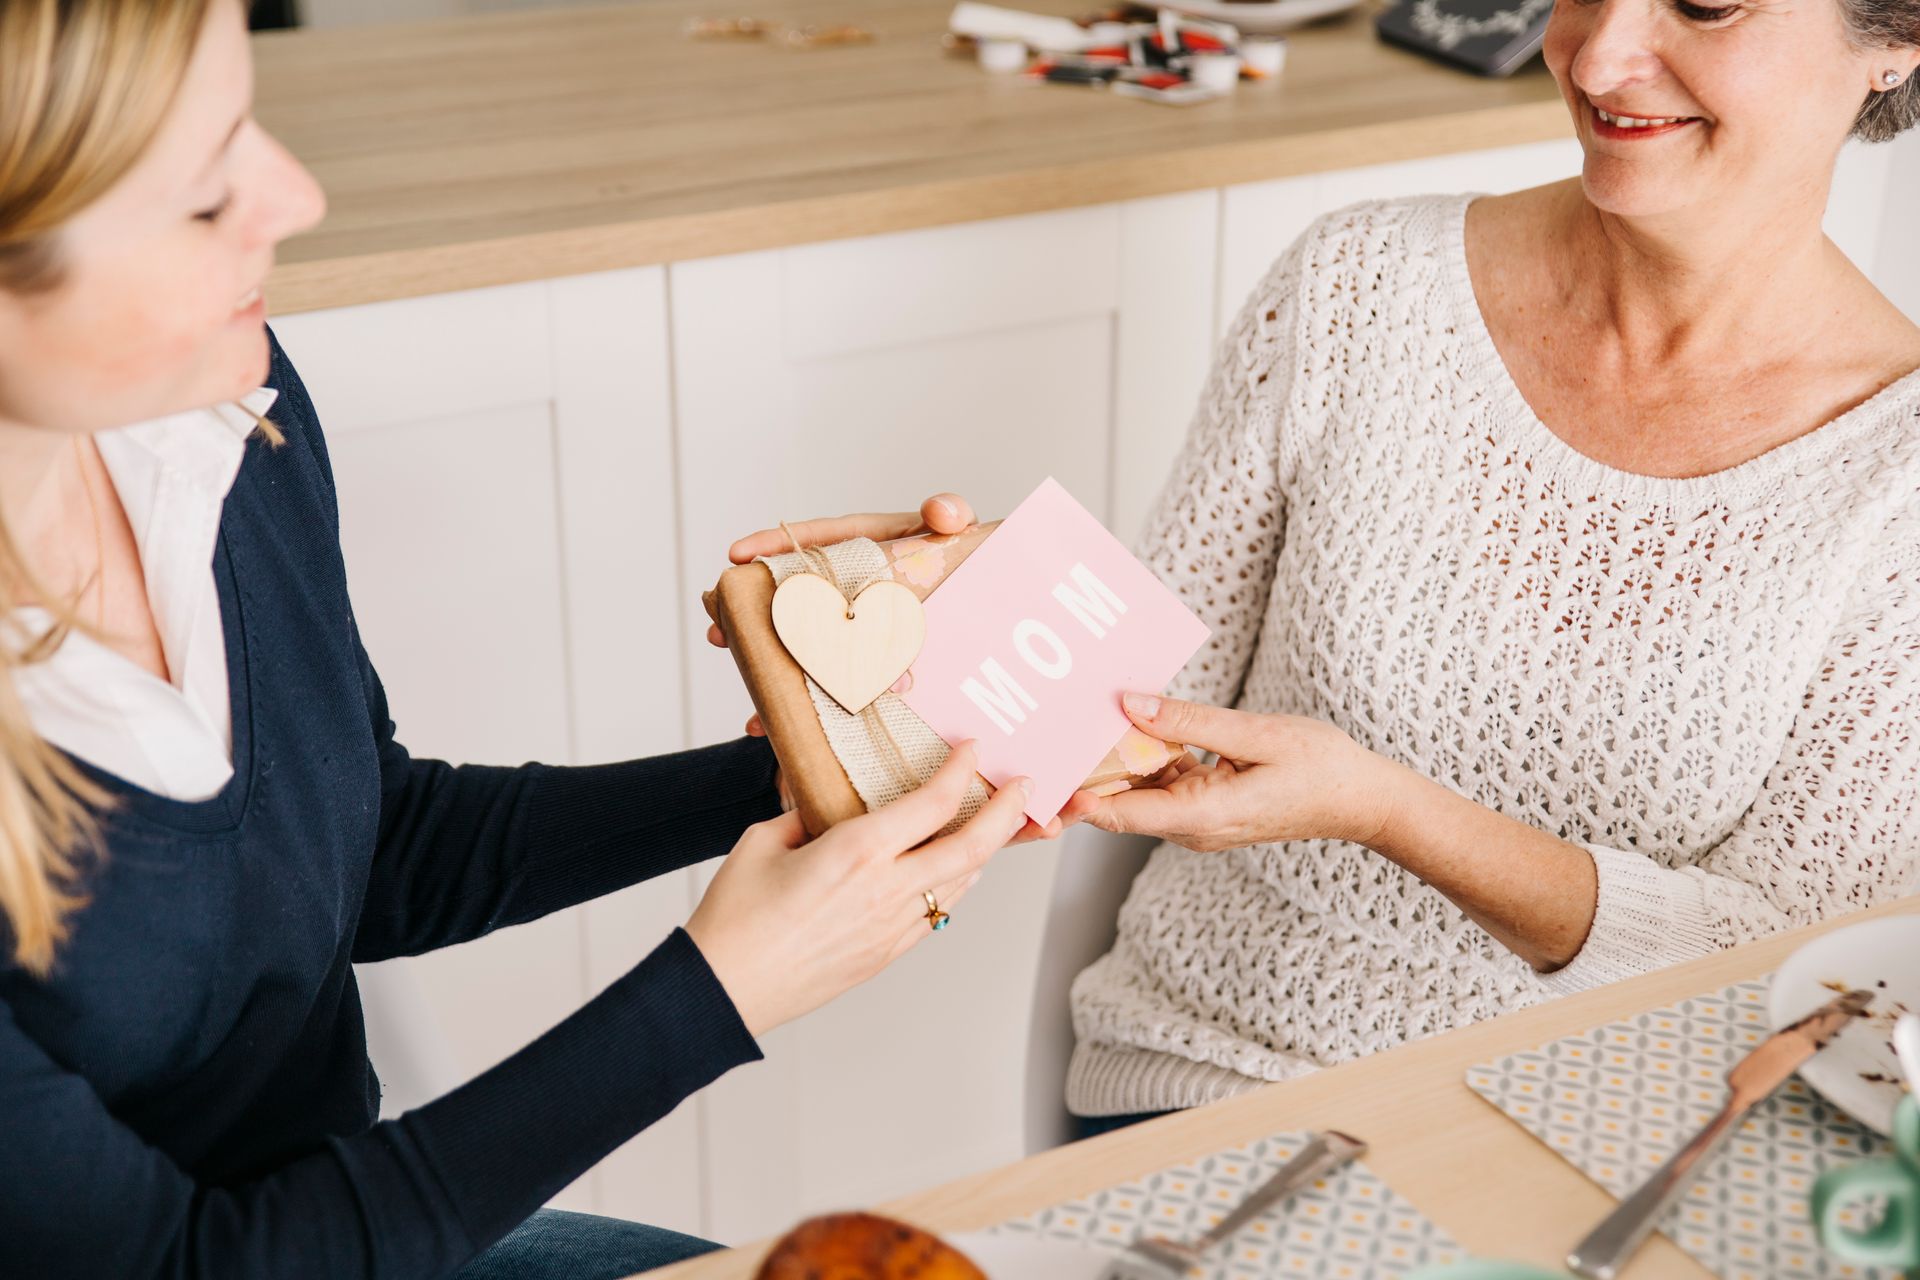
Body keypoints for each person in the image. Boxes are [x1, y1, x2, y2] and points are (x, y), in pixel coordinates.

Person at [0, 2, 1044, 1275]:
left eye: (251, 122)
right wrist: (719, 991)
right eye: (205, 196)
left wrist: (816, 756)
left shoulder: (214, 422)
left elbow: (371, 843)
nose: (299, 194)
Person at [882, 0, 1920, 1133]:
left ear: (1894, 43)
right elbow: (1132, 703)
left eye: (1707, 4)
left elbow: (1799, 975)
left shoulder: (1895, 478)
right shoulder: (1359, 285)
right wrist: (931, 624)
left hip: (1599, 1166)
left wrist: (1394, 813)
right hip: (1207, 1085)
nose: (1600, 55)